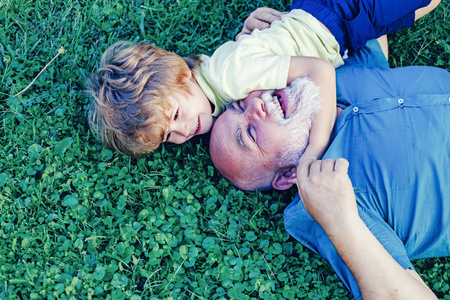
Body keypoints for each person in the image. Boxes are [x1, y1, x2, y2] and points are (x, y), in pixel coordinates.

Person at [209, 37, 450, 298]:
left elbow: (365, 20)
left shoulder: (325, 75)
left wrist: (262, 39)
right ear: (288, 175)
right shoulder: (328, 204)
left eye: (240, 104)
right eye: (250, 135)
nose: (255, 104)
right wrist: (340, 220)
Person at [84, 0, 440, 158]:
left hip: (342, 17)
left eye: (175, 117)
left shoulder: (231, 78)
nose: (182, 133)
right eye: (167, 138)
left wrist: (315, 150)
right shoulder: (217, 76)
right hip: (334, 19)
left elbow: (320, 72)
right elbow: (255, 49)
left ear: (180, 75)